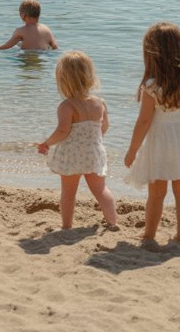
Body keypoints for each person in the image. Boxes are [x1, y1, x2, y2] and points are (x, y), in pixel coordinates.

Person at [124, 22, 180, 243]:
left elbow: (144, 121)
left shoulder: (152, 86)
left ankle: (149, 235)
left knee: (156, 193)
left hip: (162, 141)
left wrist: (132, 150)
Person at [36, 51, 118, 229]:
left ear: (63, 80)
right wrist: (95, 141)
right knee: (101, 190)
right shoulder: (100, 103)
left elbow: (63, 131)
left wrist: (47, 143)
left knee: (68, 193)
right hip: (94, 152)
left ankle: (67, 227)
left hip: (72, 156)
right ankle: (113, 222)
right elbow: (104, 126)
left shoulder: (67, 106)